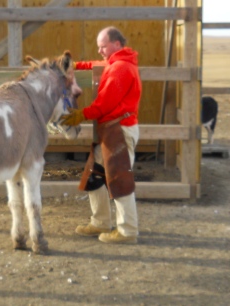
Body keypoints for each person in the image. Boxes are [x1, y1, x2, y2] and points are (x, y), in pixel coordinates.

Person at [62, 26, 141, 244]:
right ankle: (101, 222)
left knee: (119, 179)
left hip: (119, 130)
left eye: (103, 46)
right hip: (114, 130)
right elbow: (97, 65)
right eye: (98, 47)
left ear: (116, 44)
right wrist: (77, 65)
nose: (100, 51)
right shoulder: (116, 63)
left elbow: (104, 104)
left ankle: (127, 231)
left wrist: (81, 115)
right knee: (95, 174)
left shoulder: (120, 69)